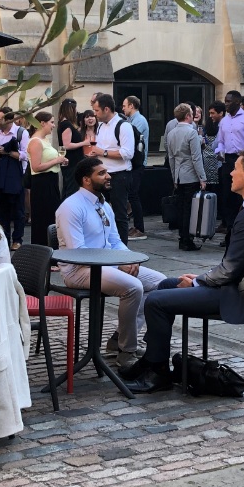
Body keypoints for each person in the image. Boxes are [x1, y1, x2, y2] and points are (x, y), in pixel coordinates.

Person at [120, 149, 244, 393]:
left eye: (236, 169)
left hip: (238, 296)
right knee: (166, 284)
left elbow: (229, 270)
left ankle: (158, 372)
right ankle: (151, 362)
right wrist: (197, 280)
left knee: (155, 300)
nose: (230, 172)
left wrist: (198, 282)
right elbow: (234, 264)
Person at [54, 157, 165, 367]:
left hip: (106, 265)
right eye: (102, 173)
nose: (109, 176)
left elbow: (114, 240)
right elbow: (79, 253)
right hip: (79, 270)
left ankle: (117, 340)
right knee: (133, 287)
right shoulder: (71, 207)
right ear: (87, 180)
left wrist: (127, 259)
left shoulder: (104, 205)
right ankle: (127, 351)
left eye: (107, 172)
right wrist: (117, 264)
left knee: (161, 283)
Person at [86, 93, 136, 244]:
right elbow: (101, 149)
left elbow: (128, 153)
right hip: (102, 175)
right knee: (99, 212)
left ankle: (122, 252)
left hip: (119, 175)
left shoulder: (123, 126)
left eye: (96, 110)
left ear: (106, 109)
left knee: (119, 214)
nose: (94, 114)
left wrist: (103, 152)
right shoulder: (100, 126)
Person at [214, 91, 244, 246]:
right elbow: (220, 141)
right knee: (227, 198)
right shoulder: (224, 121)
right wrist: (219, 151)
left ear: (238, 102)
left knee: (243, 198)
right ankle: (230, 234)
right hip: (228, 160)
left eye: (229, 102)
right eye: (225, 101)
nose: (226, 104)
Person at [164, 104, 207, 252]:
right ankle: (187, 239)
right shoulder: (191, 133)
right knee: (189, 209)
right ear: (188, 116)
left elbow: (171, 158)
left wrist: (174, 177)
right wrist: (202, 177)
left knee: (182, 208)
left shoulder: (171, 133)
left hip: (179, 175)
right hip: (191, 175)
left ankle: (183, 238)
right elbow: (196, 157)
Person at [0, 107, 29, 249]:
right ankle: (5, 238)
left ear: (9, 119)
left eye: (0, 118)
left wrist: (7, 152)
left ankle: (18, 239)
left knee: (18, 209)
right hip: (0, 174)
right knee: (1, 209)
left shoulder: (21, 133)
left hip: (16, 175)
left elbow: (25, 155)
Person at [27, 111, 67, 246]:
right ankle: (44, 253)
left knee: (52, 217)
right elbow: (36, 166)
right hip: (42, 183)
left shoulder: (45, 140)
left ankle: (52, 252)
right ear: (42, 123)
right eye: (51, 122)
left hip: (51, 181)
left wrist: (59, 161)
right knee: (44, 219)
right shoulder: (35, 142)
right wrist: (56, 160)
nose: (54, 125)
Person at [122, 96, 150, 241]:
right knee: (132, 195)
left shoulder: (139, 121)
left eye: (125, 106)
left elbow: (131, 139)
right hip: (133, 162)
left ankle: (140, 228)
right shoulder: (130, 120)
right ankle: (136, 226)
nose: (123, 108)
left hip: (138, 163)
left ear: (132, 106)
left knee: (133, 195)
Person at [57, 98, 86, 200]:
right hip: (72, 163)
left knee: (68, 187)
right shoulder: (66, 125)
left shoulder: (65, 123)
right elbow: (67, 145)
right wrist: (84, 143)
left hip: (72, 162)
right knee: (72, 189)